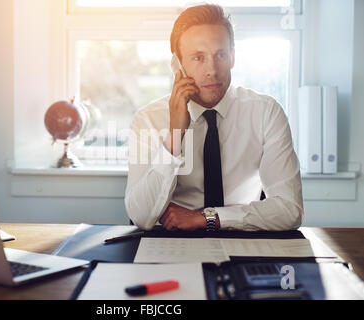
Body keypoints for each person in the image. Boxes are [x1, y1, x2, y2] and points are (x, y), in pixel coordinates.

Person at [124, 4, 303, 232]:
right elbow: (141, 216)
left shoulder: (266, 113)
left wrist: (208, 217)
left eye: (221, 55)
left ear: (233, 57)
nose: (212, 70)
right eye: (198, 58)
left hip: (242, 236)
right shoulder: (148, 119)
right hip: (172, 243)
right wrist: (175, 136)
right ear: (177, 65)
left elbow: (290, 210)